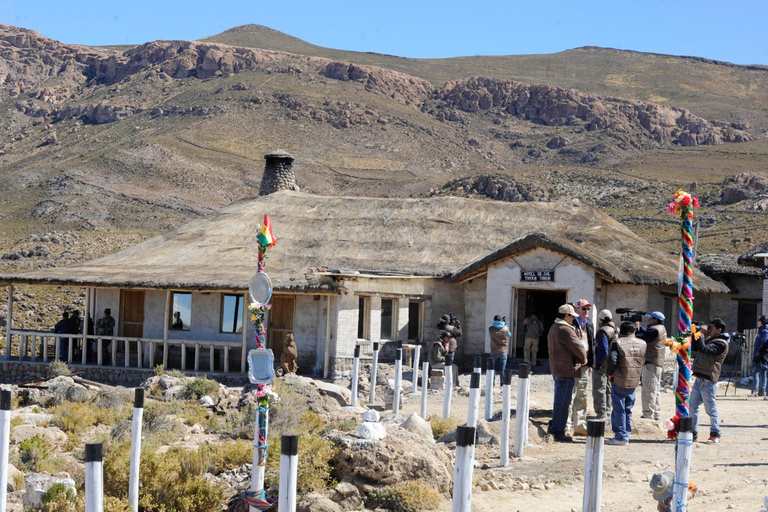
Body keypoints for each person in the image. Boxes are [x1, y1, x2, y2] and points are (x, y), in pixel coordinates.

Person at [547, 304, 587, 443]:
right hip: (566, 370)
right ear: (566, 316)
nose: (573, 320)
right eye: (572, 317)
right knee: (564, 402)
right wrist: (584, 359)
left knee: (559, 401)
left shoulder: (553, 327)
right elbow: (579, 349)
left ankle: (555, 426)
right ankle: (559, 431)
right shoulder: (566, 330)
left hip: (557, 369)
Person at [605, 321, 646, 445]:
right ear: (634, 331)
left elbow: (612, 359)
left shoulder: (617, 342)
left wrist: (610, 373)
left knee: (618, 408)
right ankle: (626, 434)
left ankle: (620, 436)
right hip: (634, 379)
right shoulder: (643, 343)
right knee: (628, 408)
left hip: (619, 378)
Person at [690, 318, 729, 444]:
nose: (709, 330)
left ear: (719, 330)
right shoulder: (710, 339)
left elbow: (704, 349)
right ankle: (692, 433)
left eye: (711, 328)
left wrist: (701, 333)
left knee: (710, 409)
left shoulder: (721, 343)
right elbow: (696, 347)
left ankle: (715, 433)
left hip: (708, 379)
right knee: (692, 406)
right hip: (699, 377)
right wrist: (695, 333)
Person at [569, 298, 594, 437]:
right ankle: (567, 425)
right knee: (569, 395)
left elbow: (592, 343)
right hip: (572, 364)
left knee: (582, 395)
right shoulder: (571, 323)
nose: (586, 311)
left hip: (584, 365)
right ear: (577, 310)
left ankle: (580, 426)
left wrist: (591, 363)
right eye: (584, 308)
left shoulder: (589, 323)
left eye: (588, 309)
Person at [636, 311, 668, 420]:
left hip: (651, 363)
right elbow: (646, 333)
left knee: (648, 389)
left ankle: (648, 414)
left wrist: (635, 329)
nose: (649, 320)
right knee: (655, 390)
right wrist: (639, 326)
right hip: (656, 363)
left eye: (651, 318)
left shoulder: (654, 330)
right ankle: (656, 413)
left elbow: (641, 337)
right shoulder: (660, 328)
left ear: (655, 319)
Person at [593, 309, 617, 420]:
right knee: (608, 389)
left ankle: (601, 414)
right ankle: (607, 412)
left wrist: (597, 364)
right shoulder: (616, 330)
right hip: (612, 364)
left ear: (601, 319)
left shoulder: (603, 331)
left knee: (599, 389)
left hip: (603, 364)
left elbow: (603, 350)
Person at [489, 315, 511, 385]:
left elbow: (490, 335)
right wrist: (505, 324)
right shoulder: (506, 328)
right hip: (503, 351)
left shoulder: (491, 329)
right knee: (503, 368)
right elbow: (509, 335)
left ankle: (492, 383)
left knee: (493, 368)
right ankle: (502, 384)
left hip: (494, 350)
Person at [750, 315, 768, 397]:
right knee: (762, 372)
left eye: (759, 321)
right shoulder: (761, 330)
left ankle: (755, 390)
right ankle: (762, 390)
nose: (757, 322)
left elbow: (764, 343)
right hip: (760, 353)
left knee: (755, 372)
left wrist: (759, 352)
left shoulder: (764, 331)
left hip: (761, 354)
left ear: (762, 322)